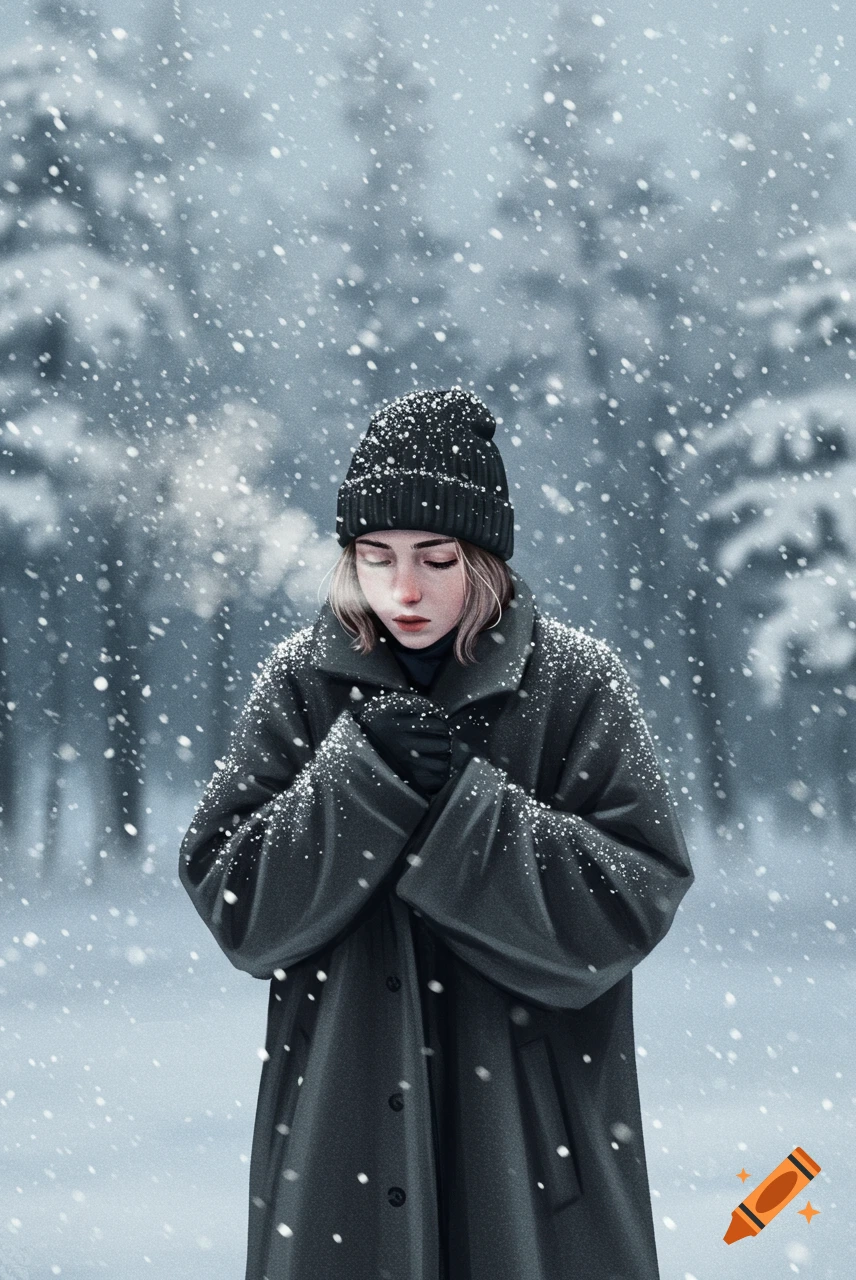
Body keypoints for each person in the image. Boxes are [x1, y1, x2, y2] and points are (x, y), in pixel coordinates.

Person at [178, 386, 695, 1280]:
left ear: (485, 558)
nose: (402, 590)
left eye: (435, 557)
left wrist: (466, 807)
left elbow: (628, 906)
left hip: (533, 1160)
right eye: (374, 557)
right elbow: (239, 907)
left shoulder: (577, 685)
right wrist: (355, 783)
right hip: (337, 1145)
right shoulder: (301, 686)